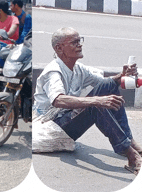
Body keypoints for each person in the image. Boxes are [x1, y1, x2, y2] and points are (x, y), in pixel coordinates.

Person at [33, 27, 142, 175]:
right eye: (74, 42)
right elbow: (58, 100)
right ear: (59, 48)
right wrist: (97, 100)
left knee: (108, 86)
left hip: (66, 118)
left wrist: (122, 74)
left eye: (80, 40)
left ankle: (129, 140)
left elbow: (105, 83)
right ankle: (130, 154)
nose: (80, 45)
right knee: (95, 105)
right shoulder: (54, 71)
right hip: (50, 125)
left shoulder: (78, 69)